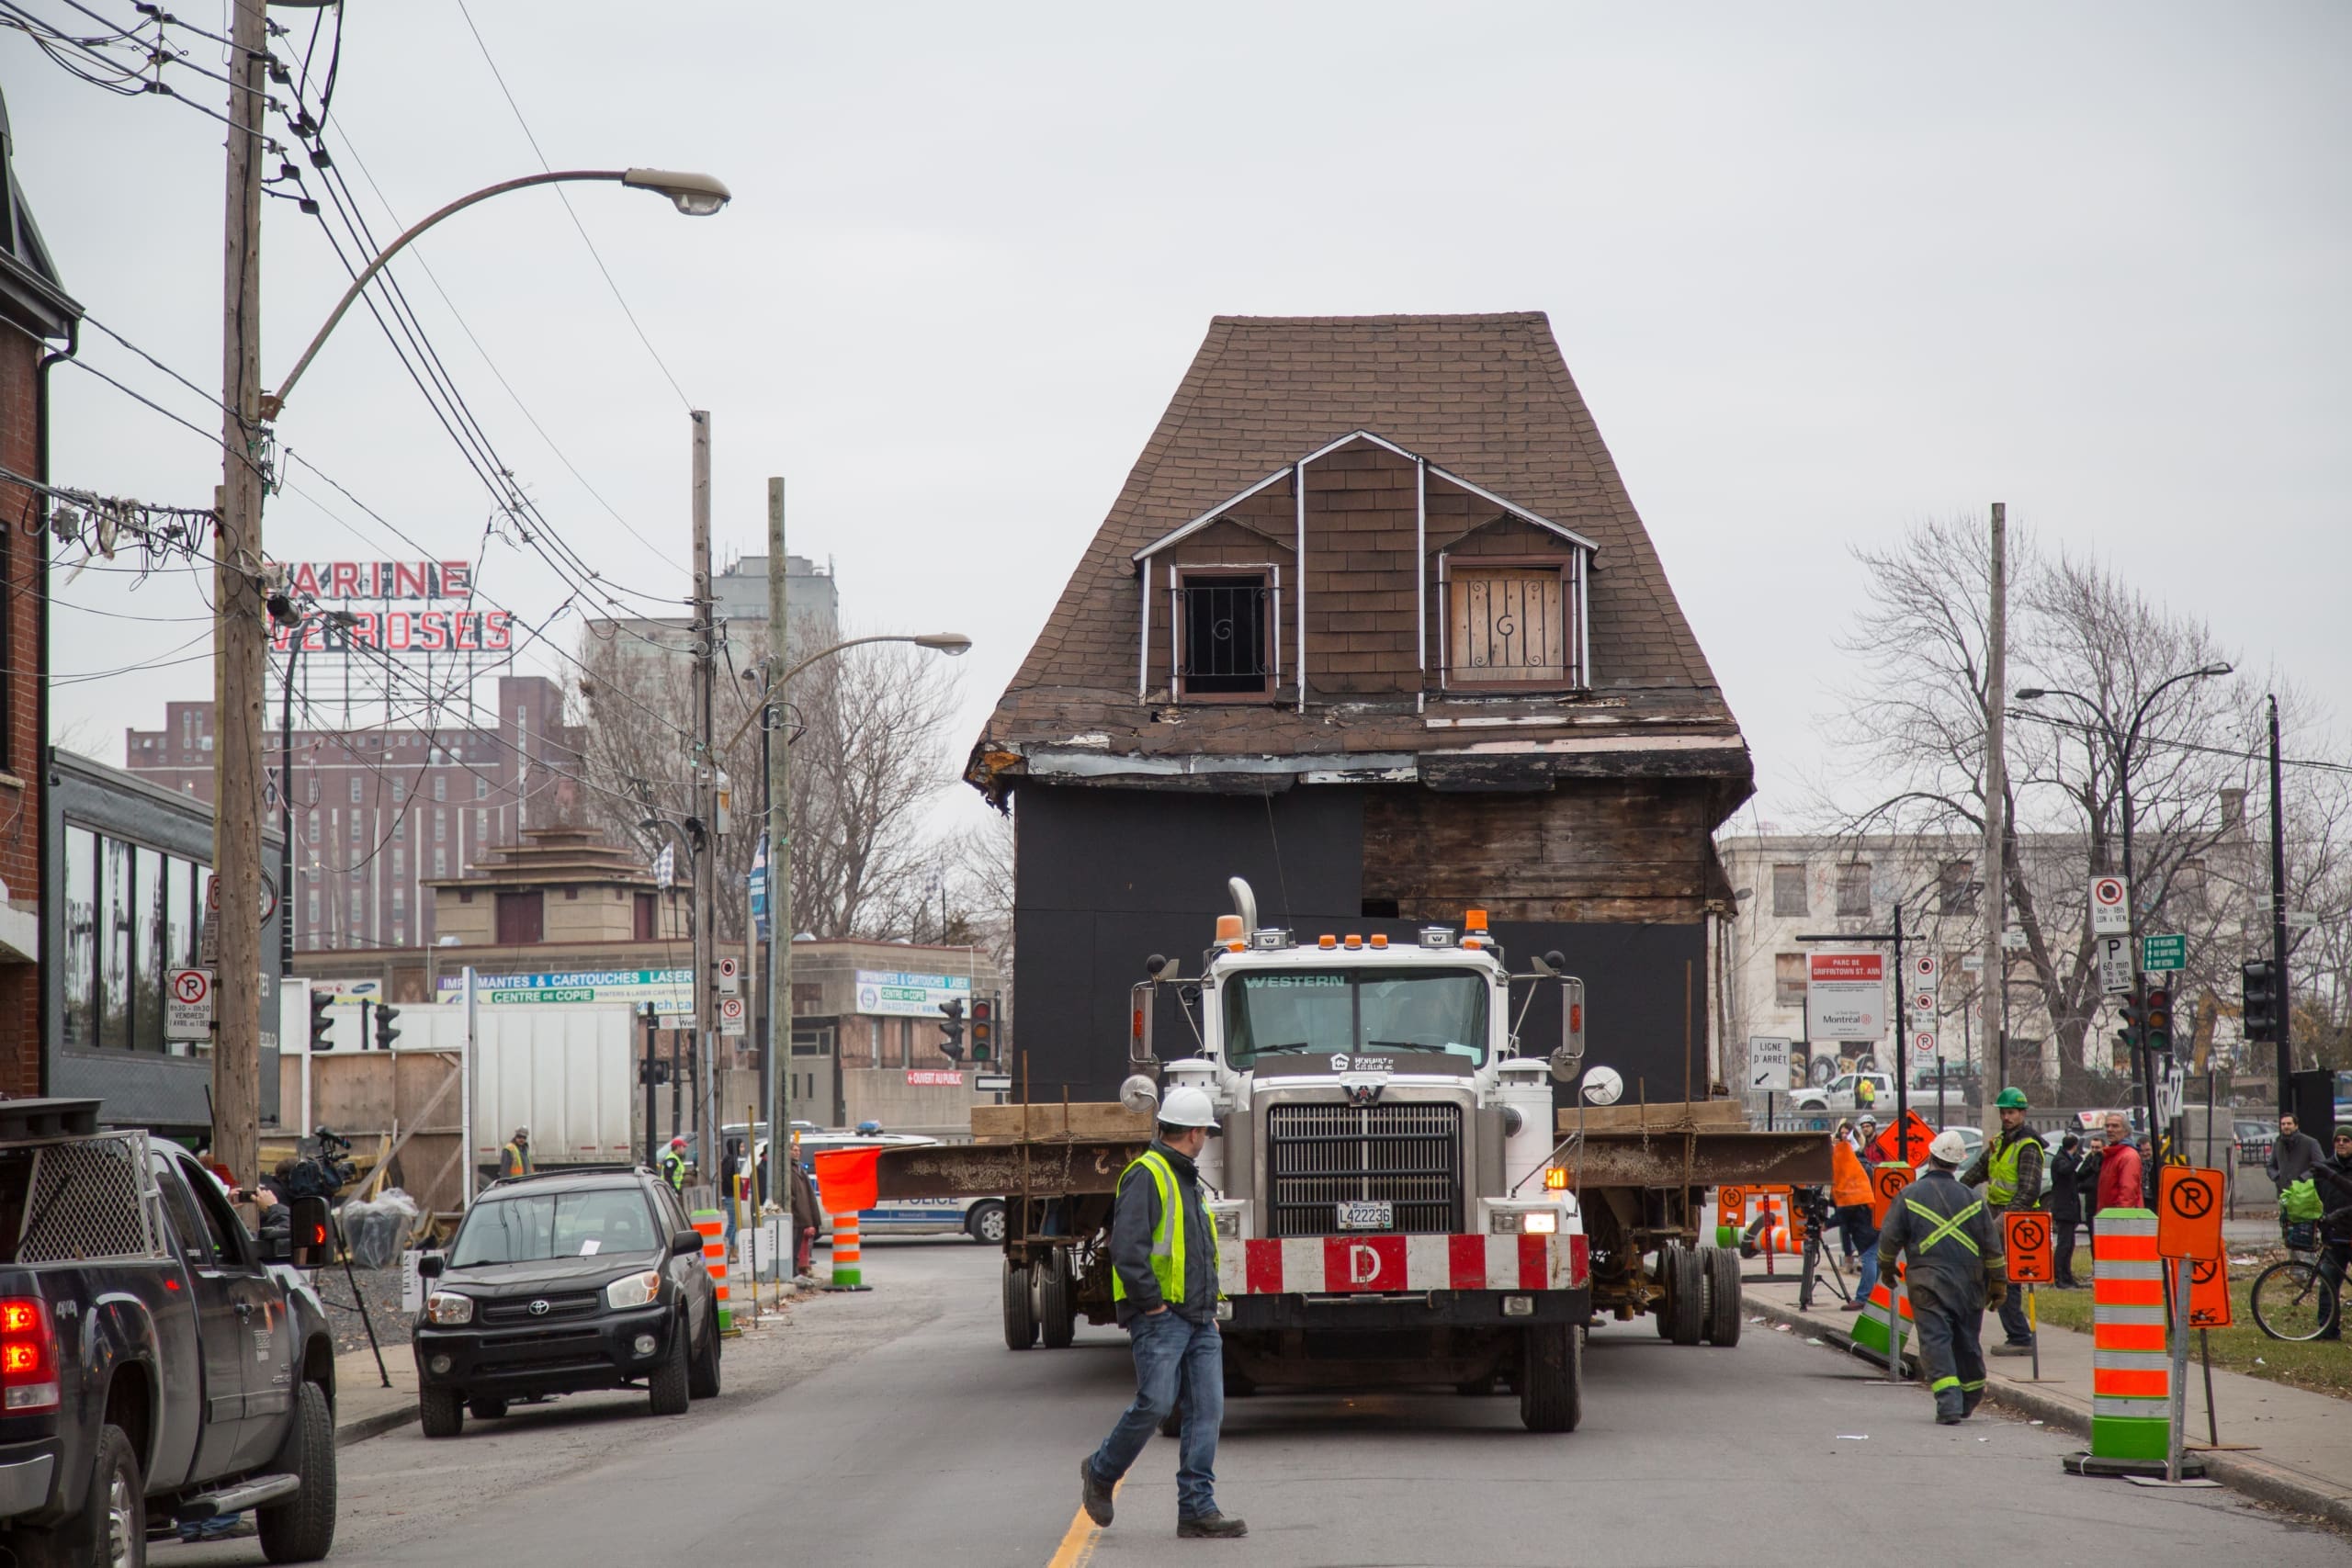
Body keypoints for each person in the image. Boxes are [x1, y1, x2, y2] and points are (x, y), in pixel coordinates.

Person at [1079, 1085, 1245, 1541]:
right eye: (1205, 1132)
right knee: (1156, 1403)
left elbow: (1199, 1251)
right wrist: (1151, 1303)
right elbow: (1127, 1249)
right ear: (1193, 1133)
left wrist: (1208, 1309)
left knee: (1206, 1409)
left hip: (1196, 1317)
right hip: (1161, 1317)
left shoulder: (1186, 1176)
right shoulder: (1146, 1174)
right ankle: (1100, 1469)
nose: (1206, 1139)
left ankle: (1196, 1509)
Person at [1875, 1128, 2007, 1425]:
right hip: (1970, 1283)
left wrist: (1887, 1270)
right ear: (1958, 1163)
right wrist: (1999, 1282)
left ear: (1931, 1157)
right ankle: (1970, 1396)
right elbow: (1992, 1247)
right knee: (1966, 1341)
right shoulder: (1974, 1200)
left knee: (1936, 1341)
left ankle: (1948, 1403)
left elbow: (1888, 1240)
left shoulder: (1909, 1195)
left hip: (1927, 1281)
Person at [1961, 1087, 2043, 1355]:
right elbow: (1976, 1172)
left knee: (2005, 1277)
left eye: (2011, 1112)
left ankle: (2020, 1337)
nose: (2006, 1117)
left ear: (2022, 1113)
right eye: (2004, 1112)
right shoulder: (1999, 1142)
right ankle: (1976, 1334)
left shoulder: (2029, 1146)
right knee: (1987, 1275)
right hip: (1997, 1213)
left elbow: (2028, 1192)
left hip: (2020, 1220)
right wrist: (1953, 1191)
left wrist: (2000, 1222)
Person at [1828, 1120, 1879, 1309]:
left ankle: (1864, 1298)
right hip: (1869, 1221)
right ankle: (1876, 1298)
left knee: (1868, 1259)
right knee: (1874, 1259)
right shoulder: (1856, 1167)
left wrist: (1829, 1223)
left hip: (1867, 1222)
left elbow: (1850, 1205)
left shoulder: (1856, 1170)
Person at [2310, 1128, 2352, 1339]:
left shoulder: (2329, 1172)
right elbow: (2316, 1198)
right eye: (2338, 1140)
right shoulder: (2324, 1168)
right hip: (2335, 1236)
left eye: (2346, 1140)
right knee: (2328, 1282)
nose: (2342, 1143)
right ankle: (2327, 1330)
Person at [2049, 1134, 2087, 1288]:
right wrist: (2079, 1158)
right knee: (2064, 1244)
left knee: (2070, 1244)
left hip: (2070, 1209)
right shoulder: (2060, 1160)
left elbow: (2077, 1177)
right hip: (2064, 1209)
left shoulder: (2067, 1159)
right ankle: (2059, 1276)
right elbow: (2065, 1170)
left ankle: (2067, 1275)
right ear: (2075, 1146)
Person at [2095, 1112, 2142, 1216]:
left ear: (2126, 1130)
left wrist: (2120, 1221)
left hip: (2118, 1220)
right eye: (2107, 1126)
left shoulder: (2128, 1156)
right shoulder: (2112, 1154)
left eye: (2115, 1126)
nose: (2109, 1129)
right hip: (2109, 1217)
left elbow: (2127, 1195)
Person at [787, 1140, 820, 1281]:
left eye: (798, 1150)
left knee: (797, 1246)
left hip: (802, 1214)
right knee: (792, 1245)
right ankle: (792, 1271)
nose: (797, 1152)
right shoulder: (788, 1170)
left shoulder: (800, 1169)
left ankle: (795, 1271)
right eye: (794, 1150)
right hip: (795, 1214)